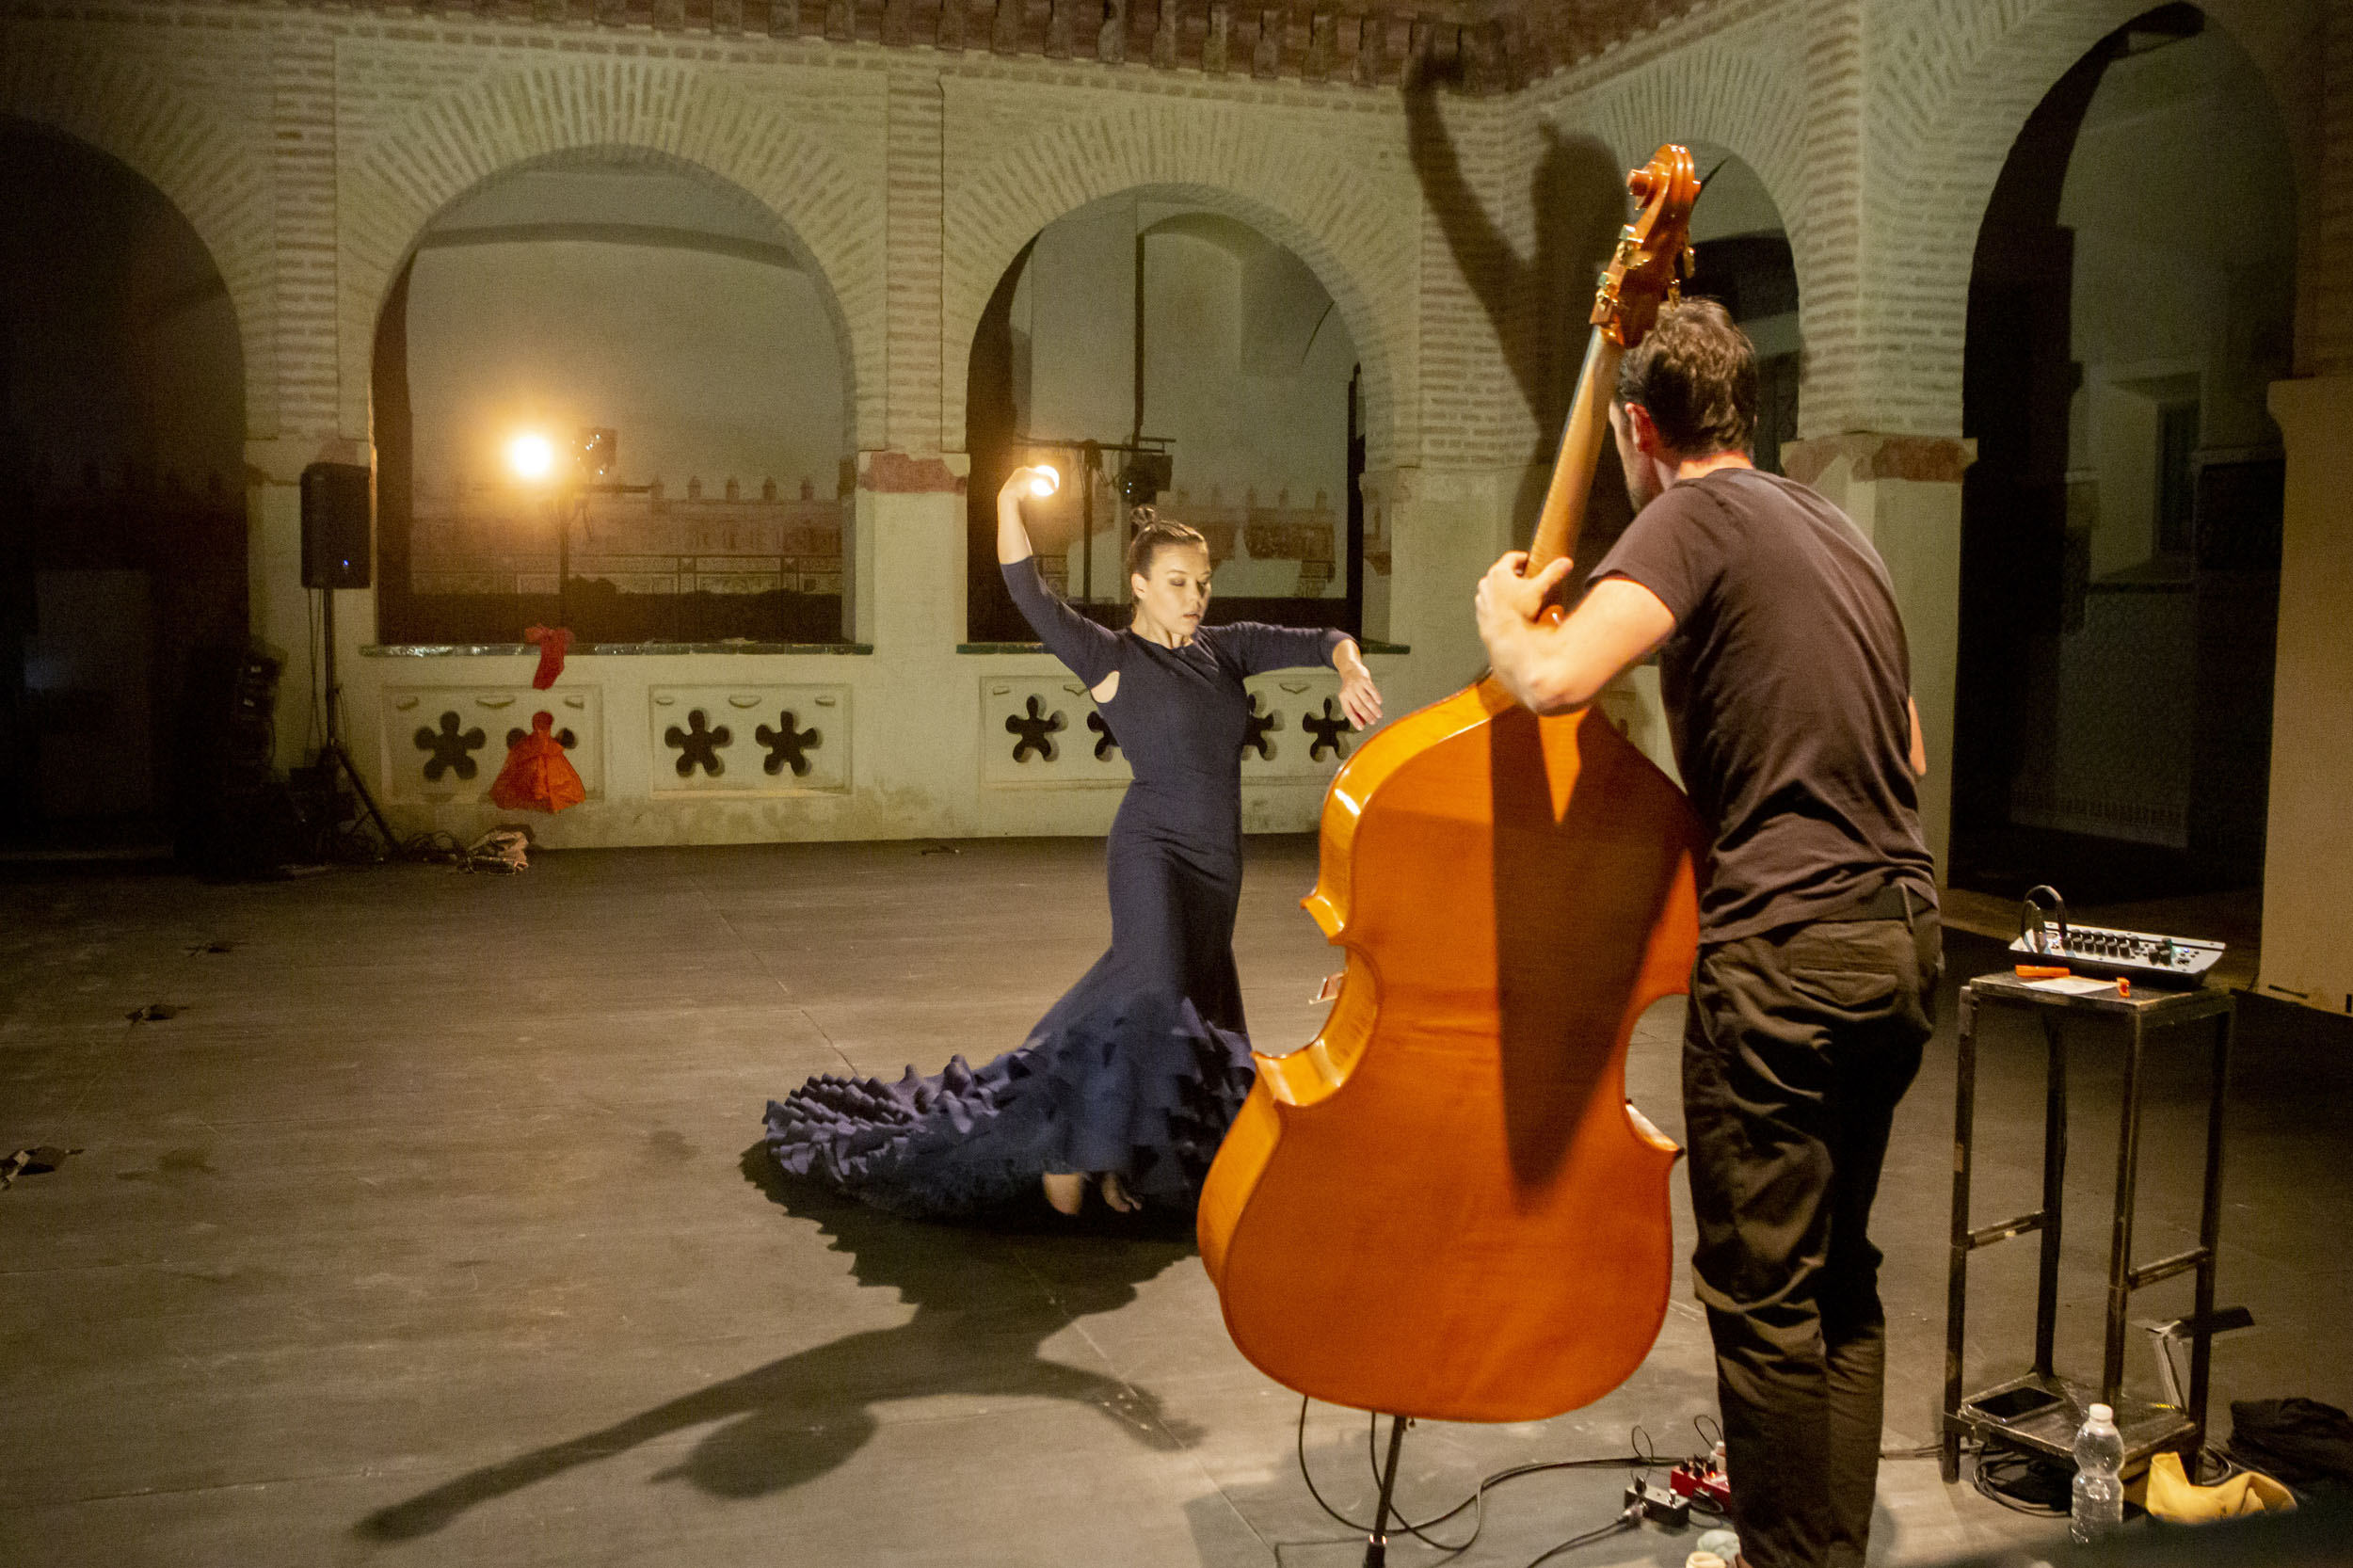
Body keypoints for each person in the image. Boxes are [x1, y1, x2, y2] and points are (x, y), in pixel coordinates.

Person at [1474, 299, 1940, 1568]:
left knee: (1762, 1296)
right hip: (1899, 937)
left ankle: (1787, 1560)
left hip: (1786, 954)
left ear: (1641, 429)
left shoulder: (1687, 517)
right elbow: (1906, 747)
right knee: (1839, 1278)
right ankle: (1824, 1554)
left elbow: (1558, 677)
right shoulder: (1835, 530)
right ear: (1748, 406)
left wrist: (1504, 615)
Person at [765, 465, 1382, 1220]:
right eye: (1178, 583)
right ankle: (1067, 1140)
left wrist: (1349, 667)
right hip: (1152, 851)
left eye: (1203, 583)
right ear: (1140, 586)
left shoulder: (1225, 650)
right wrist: (1006, 502)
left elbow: (1324, 638)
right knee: (1151, 985)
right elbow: (1029, 592)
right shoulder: (1108, 656)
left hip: (1219, 864)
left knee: (1184, 1002)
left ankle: (1116, 1156)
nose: (1195, 597)